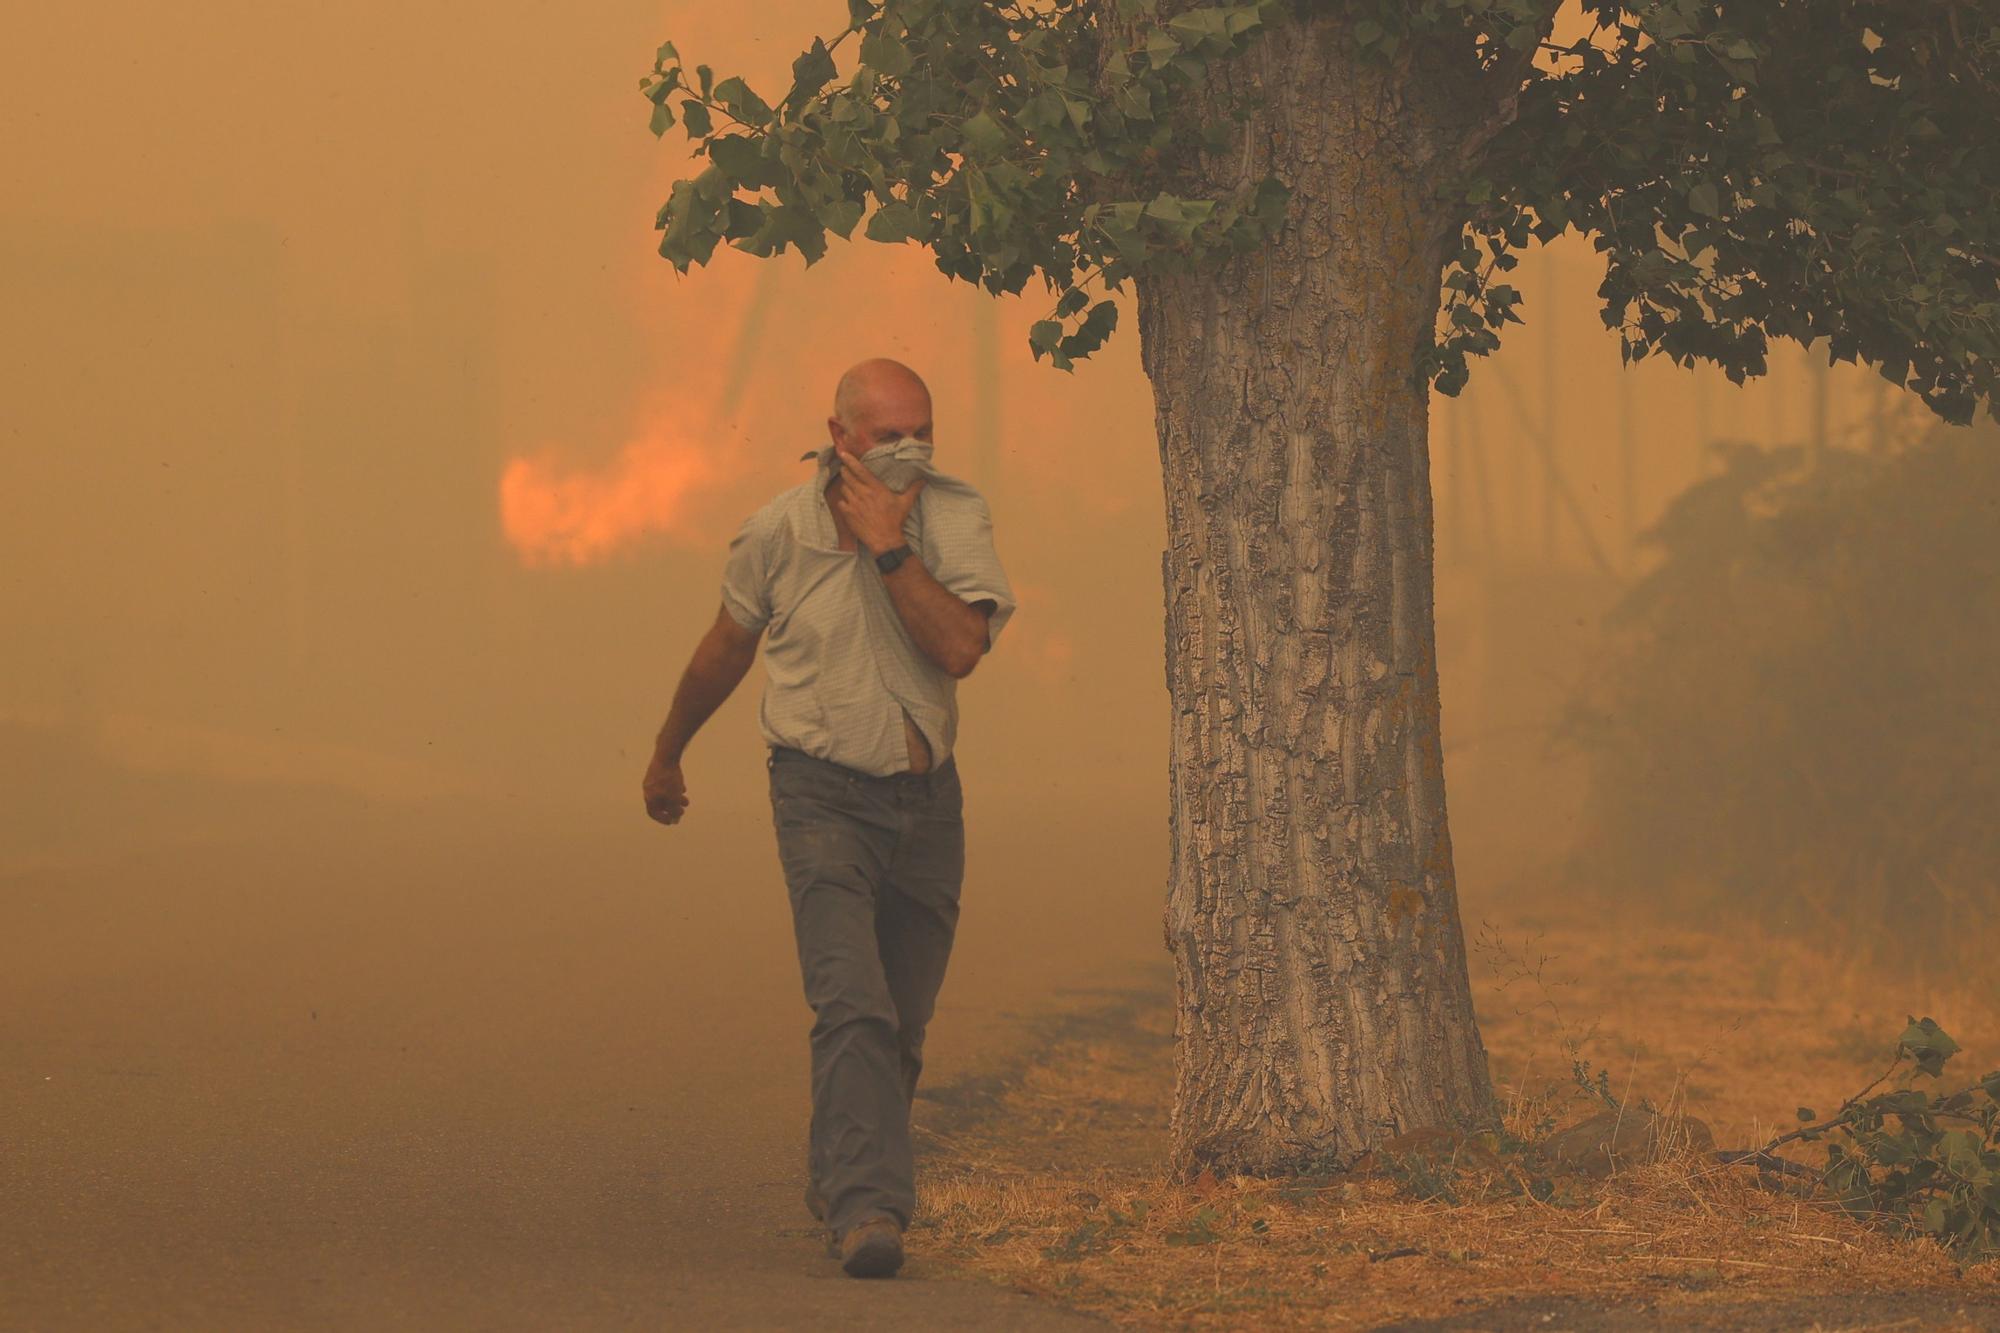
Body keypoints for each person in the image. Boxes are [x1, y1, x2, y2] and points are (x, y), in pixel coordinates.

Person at [641, 358, 1016, 1278]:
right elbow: (725, 648)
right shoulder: (779, 530)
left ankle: (844, 1170)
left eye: (921, 430)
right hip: (819, 793)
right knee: (853, 1003)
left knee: (903, 1020)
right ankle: (867, 1209)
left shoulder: (955, 515)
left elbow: (962, 647)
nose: (907, 449)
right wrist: (668, 751)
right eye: (886, 435)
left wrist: (894, 546)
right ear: (838, 435)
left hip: (928, 801)